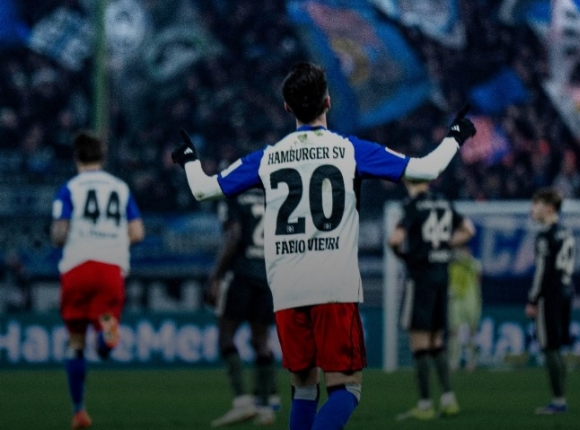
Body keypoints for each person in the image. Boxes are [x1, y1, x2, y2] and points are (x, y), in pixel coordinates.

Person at [171, 61, 476, 430]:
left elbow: (203, 189)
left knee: (303, 386)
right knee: (346, 388)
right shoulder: (349, 150)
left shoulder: (266, 157)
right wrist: (456, 135)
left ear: (287, 107)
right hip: (334, 285)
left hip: (286, 287)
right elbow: (427, 169)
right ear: (328, 101)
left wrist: (189, 159)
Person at [50, 131, 145, 430]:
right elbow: (137, 232)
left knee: (76, 341)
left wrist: (58, 237)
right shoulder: (120, 187)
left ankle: (79, 411)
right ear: (102, 157)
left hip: (77, 267)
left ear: (75, 157)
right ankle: (106, 332)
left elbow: (60, 234)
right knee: (105, 325)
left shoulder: (68, 189)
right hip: (110, 268)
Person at [388, 179, 475, 421]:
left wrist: (402, 254)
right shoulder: (444, 202)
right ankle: (449, 400)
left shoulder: (412, 205)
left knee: (420, 343)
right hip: (441, 277)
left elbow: (395, 240)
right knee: (437, 342)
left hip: (420, 278)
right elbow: (468, 230)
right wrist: (444, 246)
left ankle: (425, 405)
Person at [207, 188, 280, 427]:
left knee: (226, 335)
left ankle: (242, 402)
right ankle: (266, 408)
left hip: (240, 274)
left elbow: (235, 235)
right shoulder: (271, 197)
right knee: (262, 341)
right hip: (266, 275)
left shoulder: (234, 197)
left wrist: (216, 276)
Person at [527, 188, 574, 415]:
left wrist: (532, 299)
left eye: (536, 204)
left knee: (550, 348)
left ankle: (558, 401)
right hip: (566, 291)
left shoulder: (545, 236)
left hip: (550, 296)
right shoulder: (566, 232)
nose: (532, 209)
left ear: (549, 208)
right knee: (557, 347)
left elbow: (542, 271)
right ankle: (560, 398)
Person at [448, 245, 482, 371]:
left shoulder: (474, 263)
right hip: (455, 300)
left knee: (471, 331)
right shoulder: (451, 265)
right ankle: (454, 361)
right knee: (454, 331)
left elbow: (478, 278)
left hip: (471, 300)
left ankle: (471, 360)